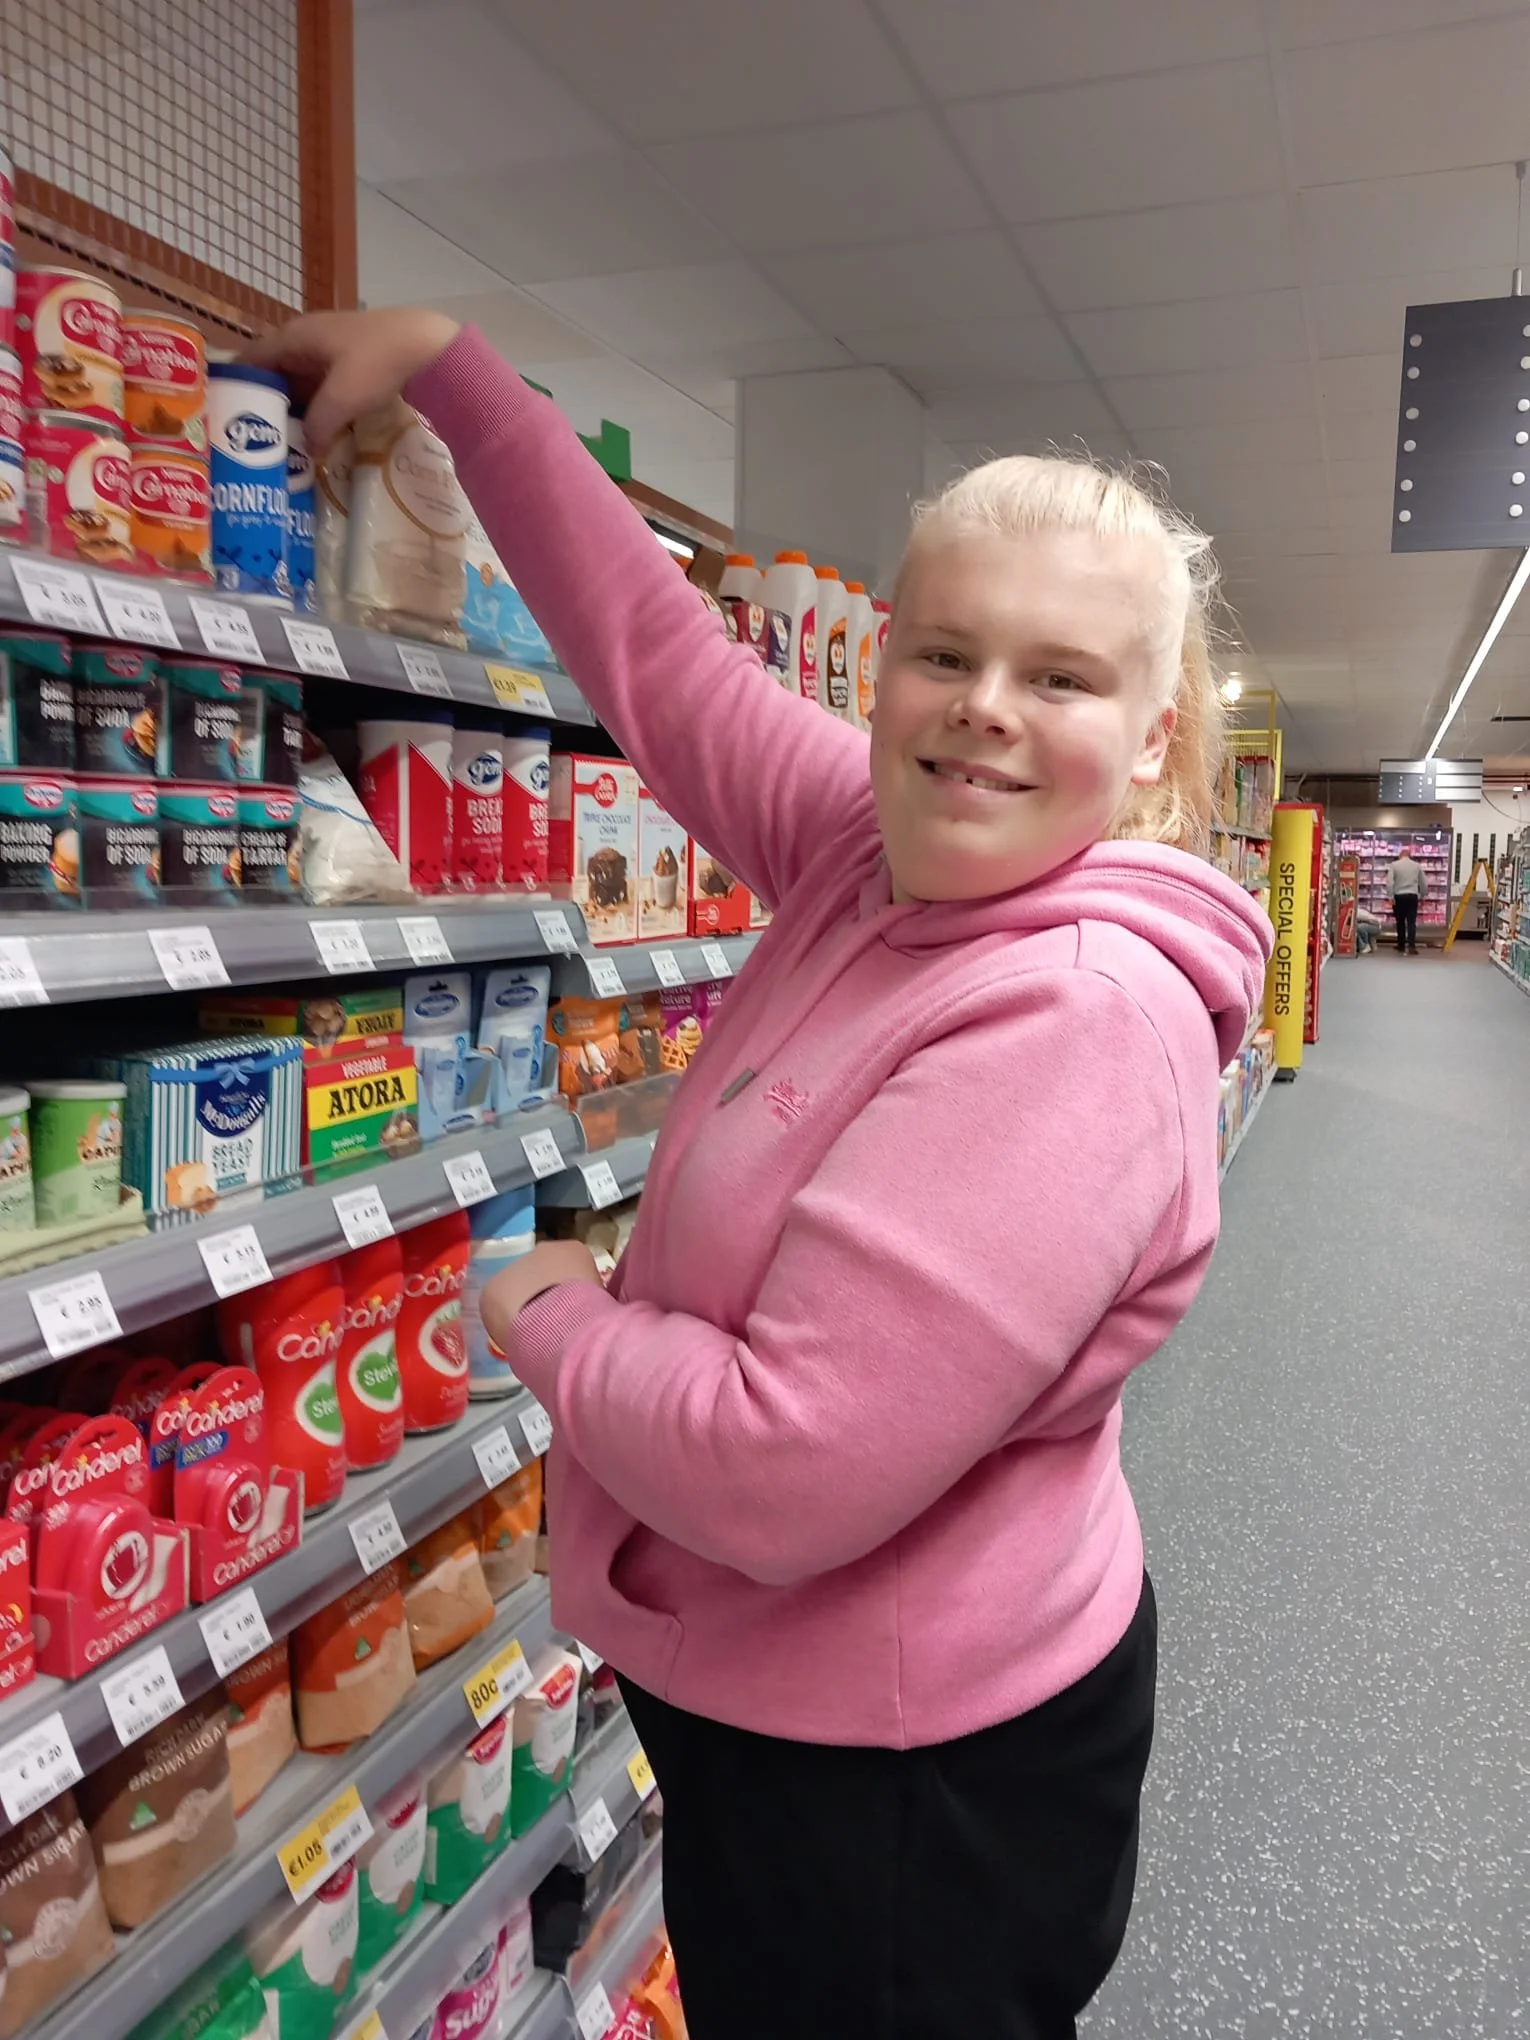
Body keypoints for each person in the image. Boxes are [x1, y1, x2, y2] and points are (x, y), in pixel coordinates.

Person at [248, 309, 1271, 2040]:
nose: (984, 718)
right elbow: (670, 672)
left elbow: (790, 1465)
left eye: (1063, 678)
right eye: (942, 657)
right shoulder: (885, 853)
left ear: (1155, 738)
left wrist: (551, 1308)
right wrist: (454, 372)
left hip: (904, 1771)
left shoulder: (1076, 1025)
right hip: (809, 1696)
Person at [1386, 848, 1424, 952]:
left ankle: (1401, 945)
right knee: (1411, 921)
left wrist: (1390, 897)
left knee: (1400, 922)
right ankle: (1412, 946)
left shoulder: (1394, 865)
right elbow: (1423, 882)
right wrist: (1422, 895)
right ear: (1409, 855)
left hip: (1399, 896)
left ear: (1400, 855)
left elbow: (1390, 882)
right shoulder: (1417, 865)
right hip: (1412, 896)